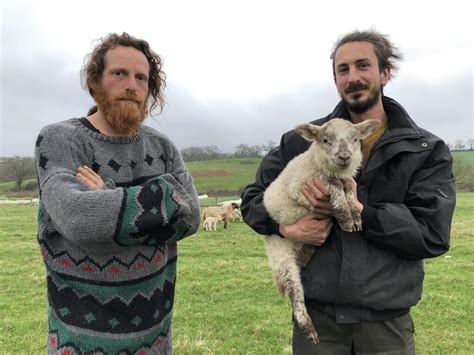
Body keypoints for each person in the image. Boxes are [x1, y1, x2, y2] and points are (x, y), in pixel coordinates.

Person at [241, 29, 456, 354]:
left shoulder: (424, 150)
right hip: (320, 321)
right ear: (336, 80)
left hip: (386, 326)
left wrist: (362, 211)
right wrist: (285, 227)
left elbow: (432, 236)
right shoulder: (300, 141)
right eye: (343, 70)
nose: (353, 77)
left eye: (362, 66)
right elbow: (253, 201)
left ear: (385, 72)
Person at [34, 32, 200, 354]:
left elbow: (191, 217)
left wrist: (108, 196)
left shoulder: (163, 147)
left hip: (155, 340)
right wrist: (166, 197)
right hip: (80, 342)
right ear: (95, 82)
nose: (132, 85)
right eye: (119, 73)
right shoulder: (60, 140)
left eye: (142, 78)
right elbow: (79, 219)